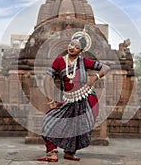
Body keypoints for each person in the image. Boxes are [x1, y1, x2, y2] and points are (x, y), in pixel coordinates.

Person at [36, 30, 110, 162]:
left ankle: (69, 153)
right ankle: (51, 152)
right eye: (71, 44)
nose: (72, 47)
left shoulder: (83, 61)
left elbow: (106, 67)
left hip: (87, 99)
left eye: (76, 47)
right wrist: (50, 100)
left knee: (78, 127)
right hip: (69, 99)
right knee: (48, 120)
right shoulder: (59, 61)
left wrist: (94, 78)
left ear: (81, 50)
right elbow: (47, 78)